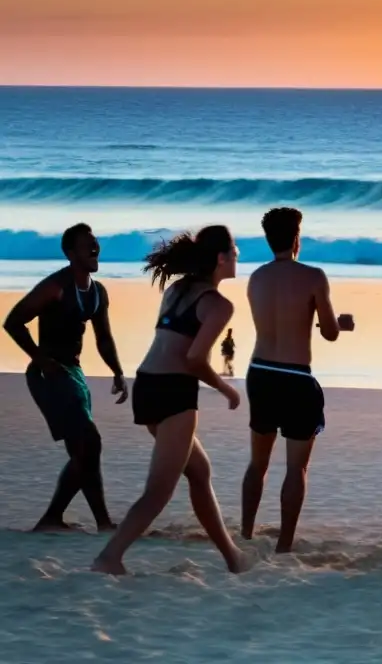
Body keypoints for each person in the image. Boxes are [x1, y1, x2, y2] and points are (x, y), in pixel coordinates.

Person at [92, 226, 248, 575]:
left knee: (199, 471)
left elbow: (171, 341)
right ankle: (109, 557)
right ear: (221, 258)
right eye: (235, 250)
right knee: (158, 492)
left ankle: (232, 557)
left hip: (147, 383)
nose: (239, 256)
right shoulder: (219, 305)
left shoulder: (177, 289)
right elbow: (194, 358)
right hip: (174, 391)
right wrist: (227, 389)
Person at [241, 207, 355, 553]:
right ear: (296, 238)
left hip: (260, 371)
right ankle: (284, 544)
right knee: (296, 466)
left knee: (258, 462)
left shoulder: (256, 278)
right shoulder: (314, 276)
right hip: (294, 375)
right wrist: (343, 324)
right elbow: (330, 332)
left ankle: (245, 532)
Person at [3, 223, 127, 532]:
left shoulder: (98, 292)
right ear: (71, 253)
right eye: (88, 244)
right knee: (89, 443)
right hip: (50, 375)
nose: (95, 247)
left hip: (74, 374)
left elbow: (104, 338)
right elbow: (13, 321)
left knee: (84, 451)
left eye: (96, 242)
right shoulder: (55, 286)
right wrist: (41, 359)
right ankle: (71, 520)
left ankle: (77, 520)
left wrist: (117, 371)